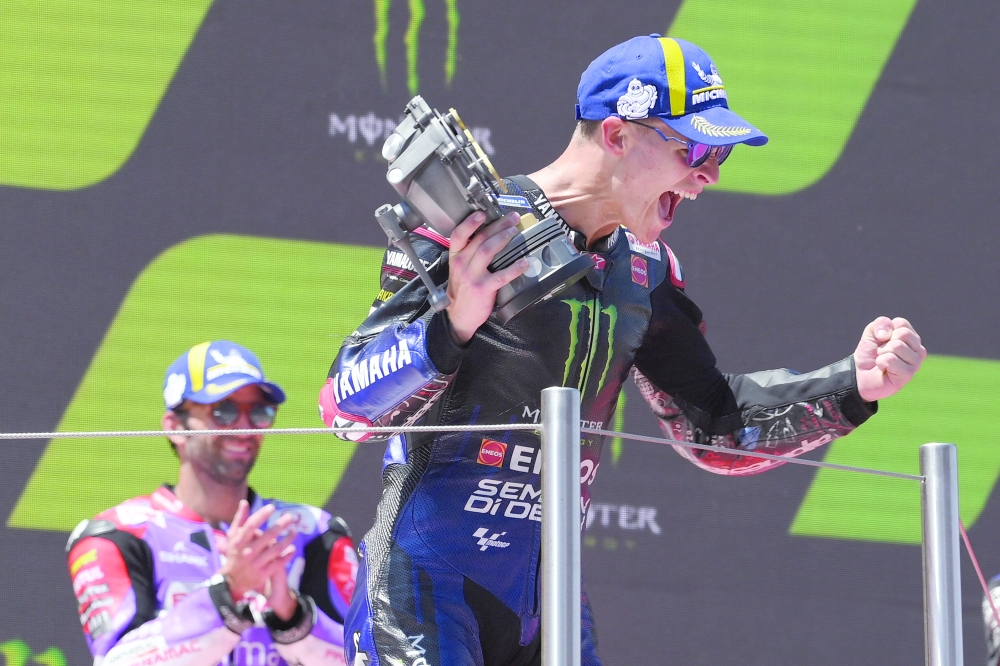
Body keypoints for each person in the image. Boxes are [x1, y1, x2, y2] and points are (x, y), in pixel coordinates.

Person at [318, 35, 927, 666]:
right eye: (694, 149)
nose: (709, 175)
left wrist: (851, 386)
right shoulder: (471, 225)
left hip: (552, 610)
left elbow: (712, 427)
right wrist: (454, 324)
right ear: (617, 135)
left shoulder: (645, 268)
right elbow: (340, 408)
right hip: (425, 598)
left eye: (718, 155)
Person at [67, 341, 358, 666]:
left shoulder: (313, 531)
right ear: (175, 427)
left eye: (260, 412)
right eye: (224, 411)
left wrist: (292, 616)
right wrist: (227, 593)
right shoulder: (116, 535)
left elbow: (365, 658)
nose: (244, 427)